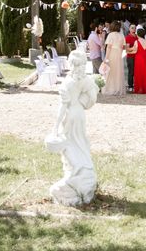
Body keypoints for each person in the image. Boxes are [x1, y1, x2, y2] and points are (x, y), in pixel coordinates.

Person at [44, 49, 99, 206]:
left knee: (68, 144)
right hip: (79, 114)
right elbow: (93, 96)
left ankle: (75, 173)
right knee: (80, 142)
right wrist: (83, 102)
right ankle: (82, 170)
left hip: (70, 117)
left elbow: (62, 108)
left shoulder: (68, 82)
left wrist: (55, 127)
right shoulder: (84, 79)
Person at [103, 21, 126, 95]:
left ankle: (111, 88)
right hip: (119, 54)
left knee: (111, 72)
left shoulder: (110, 35)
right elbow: (123, 47)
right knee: (118, 72)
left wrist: (106, 58)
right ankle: (118, 88)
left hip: (112, 53)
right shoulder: (122, 35)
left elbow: (108, 47)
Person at [133, 28, 146, 94]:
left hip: (139, 58)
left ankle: (140, 88)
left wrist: (127, 50)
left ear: (137, 34)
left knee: (139, 72)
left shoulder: (136, 41)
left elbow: (134, 50)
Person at [125, 24, 138, 92]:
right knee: (131, 72)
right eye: (132, 28)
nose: (133, 29)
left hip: (138, 58)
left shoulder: (137, 37)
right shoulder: (128, 37)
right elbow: (127, 49)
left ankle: (136, 86)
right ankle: (130, 86)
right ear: (129, 29)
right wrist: (134, 48)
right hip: (130, 57)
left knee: (137, 72)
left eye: (134, 28)